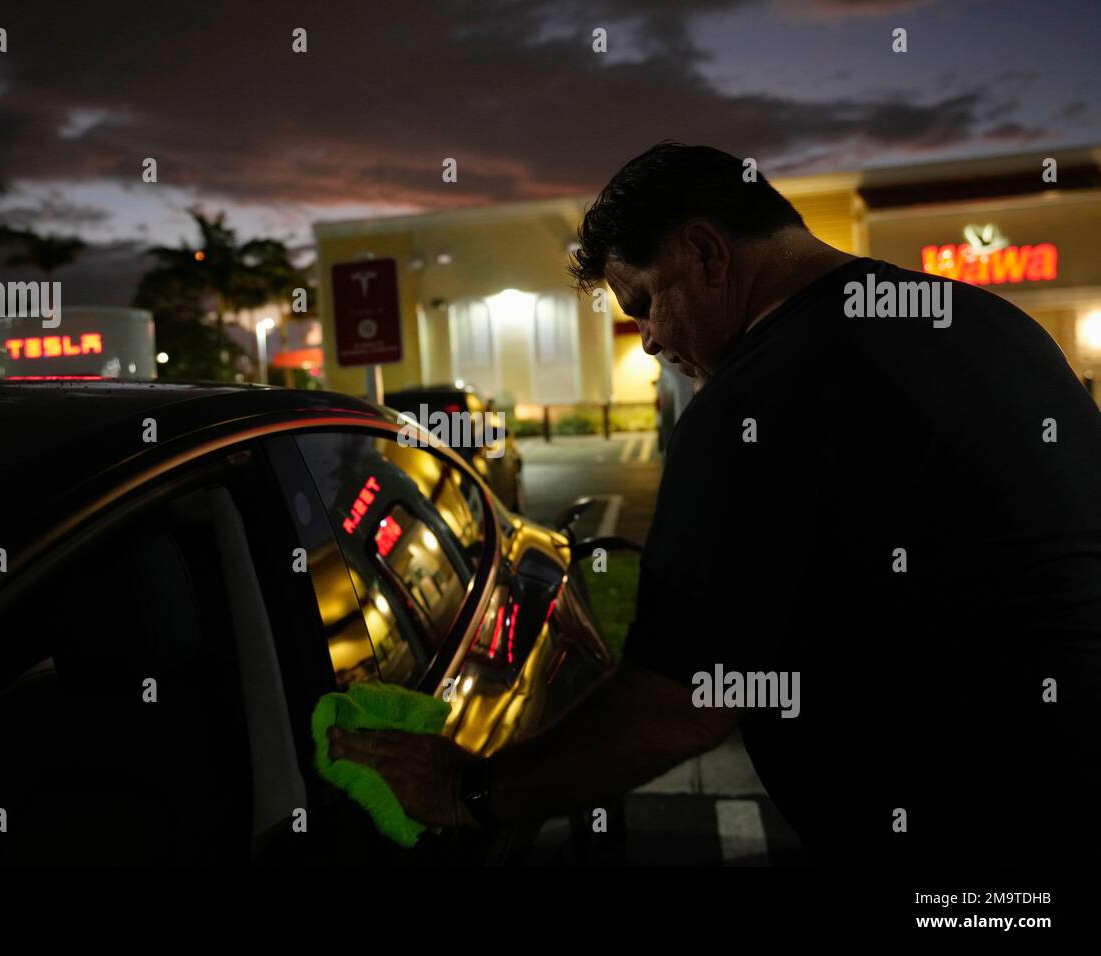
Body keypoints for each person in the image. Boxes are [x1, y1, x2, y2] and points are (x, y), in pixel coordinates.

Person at [328, 142, 1101, 864]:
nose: (650, 344)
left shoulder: (756, 401)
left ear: (705, 253)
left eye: (644, 304)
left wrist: (465, 790)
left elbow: (678, 702)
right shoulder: (991, 326)